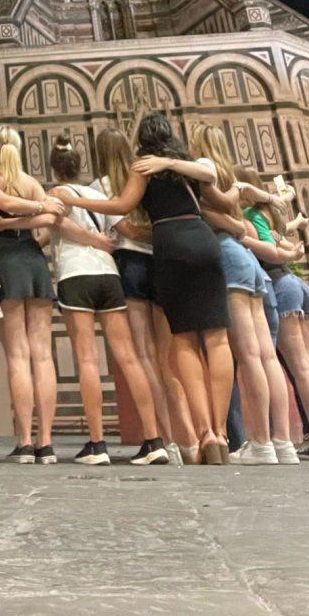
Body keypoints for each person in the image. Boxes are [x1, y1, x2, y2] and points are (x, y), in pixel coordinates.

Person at [65, 112, 232, 466]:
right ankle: (220, 432)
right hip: (204, 241)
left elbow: (121, 206)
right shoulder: (190, 164)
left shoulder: (143, 166)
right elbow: (213, 177)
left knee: (184, 340)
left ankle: (204, 434)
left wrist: (79, 200)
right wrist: (174, 161)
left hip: (169, 243)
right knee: (217, 338)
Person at [47, 137, 167, 466]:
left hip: (76, 274)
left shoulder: (57, 193)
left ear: (54, 168)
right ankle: (153, 440)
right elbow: (125, 228)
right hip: (109, 276)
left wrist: (90, 240)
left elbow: (60, 222)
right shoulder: (100, 195)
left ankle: (97, 444)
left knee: (87, 360)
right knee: (129, 359)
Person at [192, 124, 297, 465]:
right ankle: (283, 442)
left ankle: (260, 442)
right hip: (250, 262)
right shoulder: (231, 176)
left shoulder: (205, 172)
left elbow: (206, 214)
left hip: (228, 257)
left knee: (249, 356)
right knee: (267, 356)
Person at [95, 127, 197, 466]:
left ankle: (163, 441)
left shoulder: (105, 186)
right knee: (166, 360)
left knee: (142, 357)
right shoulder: (147, 176)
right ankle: (189, 441)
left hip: (131, 266)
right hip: (160, 261)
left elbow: (123, 229)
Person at [236, 167, 309, 462]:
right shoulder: (270, 214)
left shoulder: (248, 215)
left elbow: (272, 248)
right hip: (298, 284)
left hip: (282, 285)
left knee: (300, 368)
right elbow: (284, 239)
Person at [0, 125, 60, 464]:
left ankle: (25, 442)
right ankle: (47, 443)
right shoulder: (31, 182)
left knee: (17, 355)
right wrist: (38, 204)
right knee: (42, 355)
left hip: (4, 261)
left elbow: (4, 204)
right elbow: (51, 214)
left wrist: (6, 224)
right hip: (34, 260)